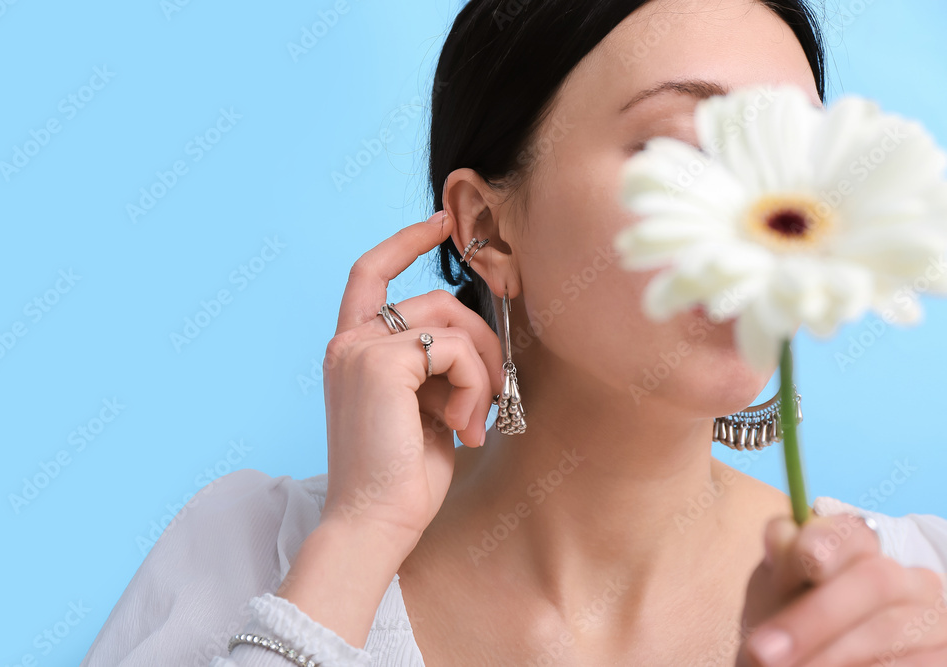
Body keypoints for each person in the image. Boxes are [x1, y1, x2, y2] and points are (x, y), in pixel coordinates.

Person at [81, 0, 947, 665]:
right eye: (685, 153)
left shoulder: (918, 595)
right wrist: (356, 542)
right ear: (488, 228)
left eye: (790, 164)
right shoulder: (247, 552)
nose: (756, 215)